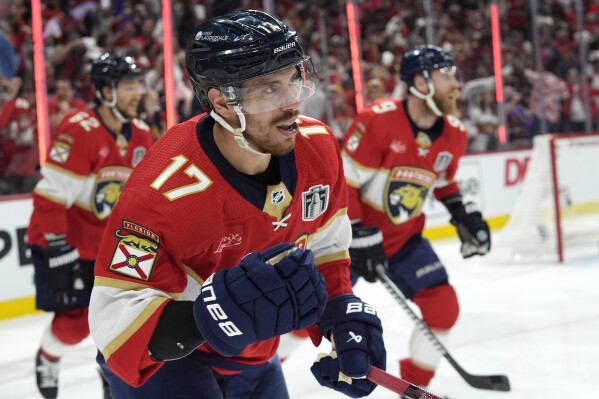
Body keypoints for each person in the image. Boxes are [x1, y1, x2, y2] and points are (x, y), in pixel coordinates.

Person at [88, 10, 386, 399]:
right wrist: (205, 317)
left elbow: (326, 245)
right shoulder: (160, 192)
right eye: (268, 89)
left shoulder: (319, 147)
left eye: (293, 79)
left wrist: (339, 310)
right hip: (171, 366)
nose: (292, 103)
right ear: (223, 103)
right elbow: (114, 320)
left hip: (256, 357)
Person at [341, 45, 491, 389]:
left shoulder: (455, 132)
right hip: (349, 240)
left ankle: (412, 391)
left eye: (455, 74)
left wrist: (461, 214)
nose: (456, 83)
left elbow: (443, 180)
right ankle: (250, 379)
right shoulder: (378, 120)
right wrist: (358, 232)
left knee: (443, 306)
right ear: (420, 83)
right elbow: (343, 182)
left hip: (404, 239)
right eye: (446, 75)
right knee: (310, 317)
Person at [27, 53, 154, 399]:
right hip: (65, 241)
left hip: (107, 245)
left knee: (121, 318)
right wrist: (57, 245)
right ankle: (48, 357)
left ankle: (109, 371)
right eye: (128, 86)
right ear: (104, 91)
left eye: (137, 85)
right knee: (74, 323)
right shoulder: (79, 130)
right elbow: (49, 196)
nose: (136, 93)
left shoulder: (142, 134)